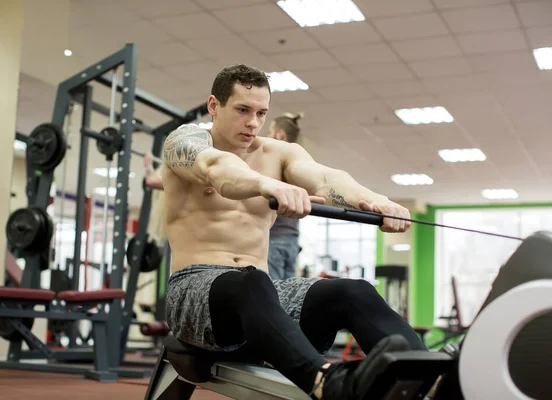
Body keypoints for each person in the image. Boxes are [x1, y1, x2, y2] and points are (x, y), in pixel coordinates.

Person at [161, 64, 428, 400]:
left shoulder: (278, 153)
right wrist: (265, 183)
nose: (253, 123)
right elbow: (218, 170)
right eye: (243, 110)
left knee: (352, 292)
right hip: (193, 292)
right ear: (214, 105)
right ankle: (324, 384)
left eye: (261, 113)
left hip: (261, 294)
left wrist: (376, 201)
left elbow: (327, 178)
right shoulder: (185, 142)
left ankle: (429, 380)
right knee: (251, 282)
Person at [266, 113, 304, 280]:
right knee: (288, 294)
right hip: (292, 240)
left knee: (274, 293)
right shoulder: (299, 163)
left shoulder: (275, 162)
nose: (267, 137)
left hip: (275, 238)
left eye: (269, 132)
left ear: (280, 134)